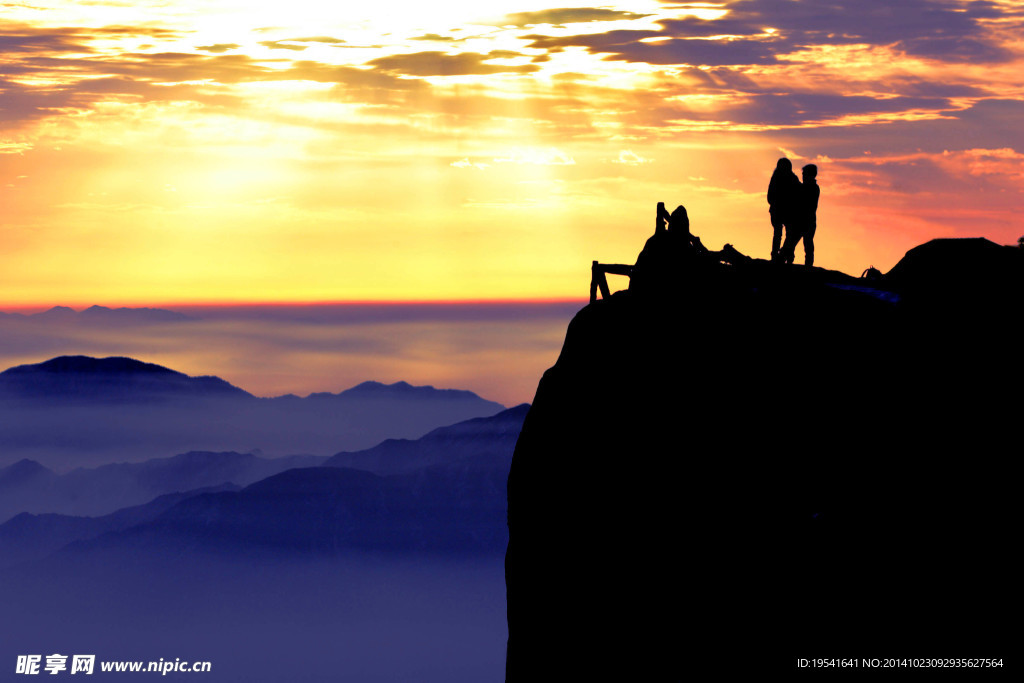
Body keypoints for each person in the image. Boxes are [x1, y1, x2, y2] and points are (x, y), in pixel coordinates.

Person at [780, 164, 820, 266]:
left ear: (809, 175)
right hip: (805, 222)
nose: (803, 176)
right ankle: (805, 266)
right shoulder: (811, 188)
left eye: (804, 174)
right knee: (800, 245)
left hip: (804, 222)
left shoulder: (811, 188)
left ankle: (807, 267)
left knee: (803, 245)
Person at [767, 158, 800, 261]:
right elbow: (770, 197)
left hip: (786, 212)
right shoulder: (780, 178)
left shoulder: (790, 178)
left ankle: (784, 255)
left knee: (785, 234)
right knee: (781, 233)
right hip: (780, 211)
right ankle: (780, 256)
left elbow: (798, 195)